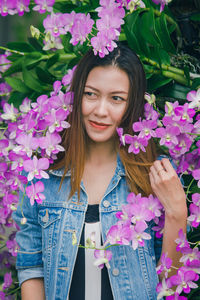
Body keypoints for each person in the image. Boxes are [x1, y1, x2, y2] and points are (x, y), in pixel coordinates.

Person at [13, 43, 187, 300]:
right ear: (76, 95)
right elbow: (31, 269)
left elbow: (169, 284)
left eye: (116, 98)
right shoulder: (44, 177)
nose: (100, 110)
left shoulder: (155, 176)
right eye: (91, 94)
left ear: (133, 105)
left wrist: (177, 213)